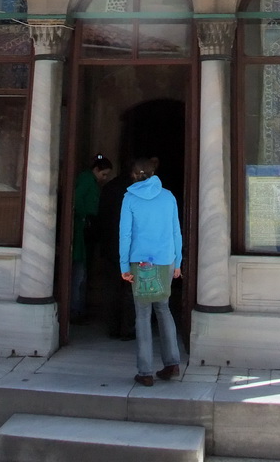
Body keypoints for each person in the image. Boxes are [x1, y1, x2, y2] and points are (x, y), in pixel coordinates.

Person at [119, 156, 182, 387]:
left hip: (140, 262)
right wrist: (178, 263)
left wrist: (124, 266)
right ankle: (172, 362)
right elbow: (176, 232)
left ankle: (145, 371)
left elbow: (125, 235)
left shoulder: (130, 198)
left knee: (143, 315)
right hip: (166, 260)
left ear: (134, 175)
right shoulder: (168, 197)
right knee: (164, 310)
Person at [71, 153, 112, 323]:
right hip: (81, 231)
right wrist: (84, 217)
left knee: (82, 274)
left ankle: (79, 309)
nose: (105, 178)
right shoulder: (86, 179)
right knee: (78, 275)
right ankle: (75, 311)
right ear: (96, 169)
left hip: (86, 230)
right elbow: (76, 199)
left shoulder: (91, 181)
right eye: (104, 174)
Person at [97, 167, 136, 340]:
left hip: (111, 246)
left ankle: (113, 327)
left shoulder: (109, 188)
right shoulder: (137, 192)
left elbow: (102, 218)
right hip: (132, 248)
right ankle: (127, 329)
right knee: (129, 289)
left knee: (112, 288)